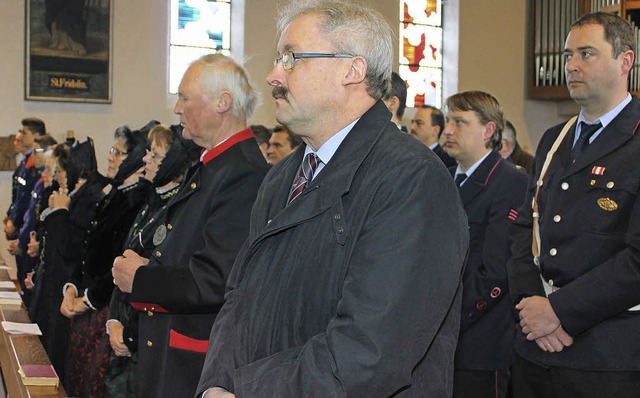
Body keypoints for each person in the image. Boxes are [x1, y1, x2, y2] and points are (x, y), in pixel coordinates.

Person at [196, 1, 468, 396]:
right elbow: (239, 301)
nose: (273, 76)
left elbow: (370, 350)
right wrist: (216, 384)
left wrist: (245, 391)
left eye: (292, 59)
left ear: (352, 71)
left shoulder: (412, 179)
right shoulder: (281, 178)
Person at [111, 53, 269, 397]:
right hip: (169, 350)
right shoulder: (213, 165)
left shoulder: (242, 173)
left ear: (222, 103)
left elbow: (217, 278)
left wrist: (141, 278)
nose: (176, 109)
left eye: (185, 97)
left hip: (193, 363)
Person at [508, 12, 640, 398]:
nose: (571, 66)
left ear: (625, 61)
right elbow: (523, 231)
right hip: (534, 348)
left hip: (606, 357)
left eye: (586, 53)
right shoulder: (553, 139)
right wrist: (532, 308)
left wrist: (560, 311)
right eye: (568, 55)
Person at [442, 91, 528, 397]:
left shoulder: (509, 182)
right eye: (448, 120)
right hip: (442, 340)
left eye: (460, 122)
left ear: (489, 131)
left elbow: (496, 272)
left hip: (479, 340)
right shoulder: (446, 178)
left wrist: (443, 321)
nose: (448, 130)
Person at [5, 118, 45, 304]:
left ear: (37, 136)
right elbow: (19, 199)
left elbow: (30, 206)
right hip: (22, 231)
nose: (19, 136)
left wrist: (21, 237)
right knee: (23, 280)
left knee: (28, 285)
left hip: (29, 236)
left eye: (24, 132)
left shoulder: (36, 168)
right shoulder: (26, 164)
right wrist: (10, 216)